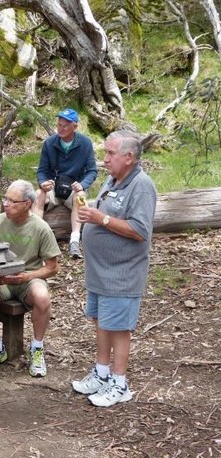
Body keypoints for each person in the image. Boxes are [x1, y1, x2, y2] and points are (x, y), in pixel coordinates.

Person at [71, 130, 157, 407]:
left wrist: (101, 219)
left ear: (129, 157)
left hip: (122, 274)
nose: (105, 159)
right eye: (105, 153)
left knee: (119, 328)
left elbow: (140, 230)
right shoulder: (112, 180)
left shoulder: (141, 186)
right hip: (99, 272)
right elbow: (104, 213)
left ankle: (120, 384)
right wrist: (89, 211)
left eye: (110, 153)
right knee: (101, 322)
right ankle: (102, 373)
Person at [0, 180, 61, 376]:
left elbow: (52, 267)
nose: (6, 204)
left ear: (27, 204)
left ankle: (36, 348)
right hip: (2, 279)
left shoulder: (41, 227)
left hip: (29, 278)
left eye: (12, 201)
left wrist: (27, 276)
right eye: (5, 199)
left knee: (42, 298)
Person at [33, 108, 98, 259]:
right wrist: (43, 182)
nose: (61, 129)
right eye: (59, 125)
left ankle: (74, 240)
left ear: (75, 127)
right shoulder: (49, 143)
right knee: (38, 194)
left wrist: (82, 185)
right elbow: (42, 170)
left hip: (74, 188)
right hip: (54, 187)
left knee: (80, 197)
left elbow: (92, 171)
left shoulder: (85, 143)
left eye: (65, 126)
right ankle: (36, 237)